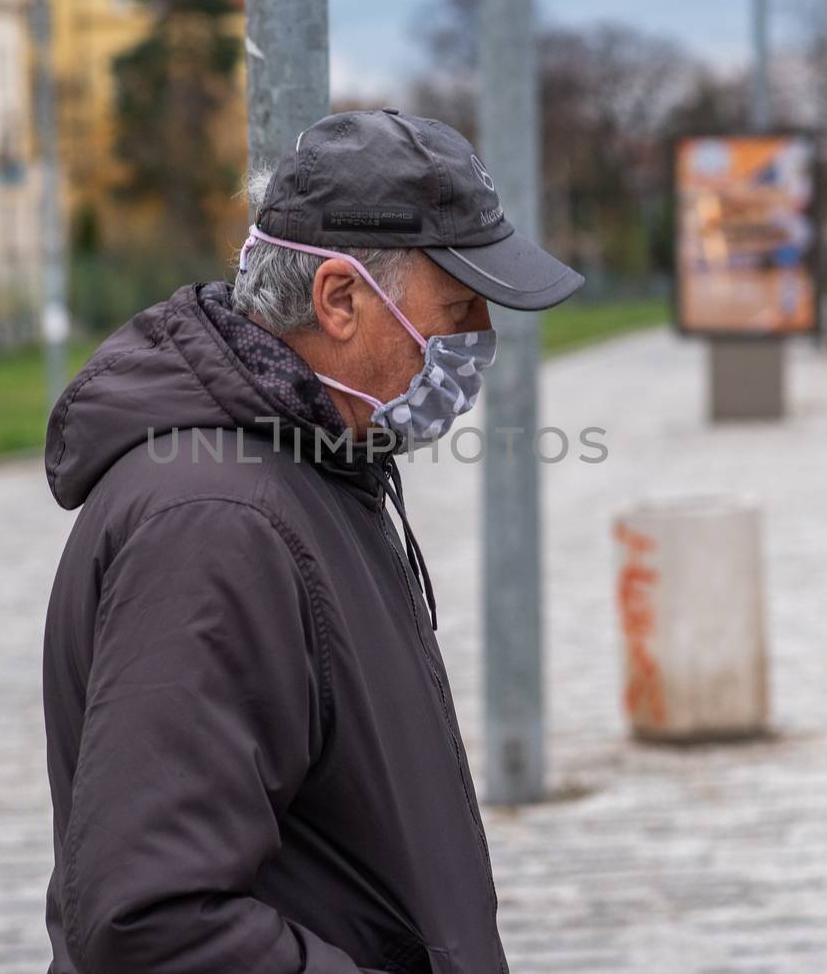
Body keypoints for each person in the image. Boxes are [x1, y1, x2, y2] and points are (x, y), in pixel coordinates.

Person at [40, 109, 583, 973]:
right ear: (337, 300)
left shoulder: (315, 468)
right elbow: (153, 922)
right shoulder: (217, 522)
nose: (478, 346)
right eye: (458, 311)